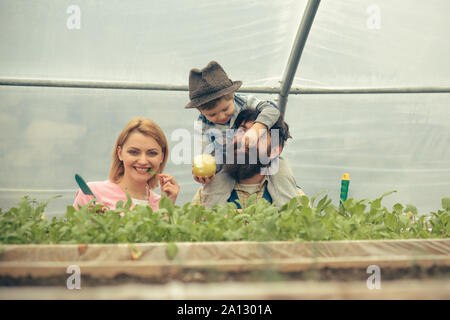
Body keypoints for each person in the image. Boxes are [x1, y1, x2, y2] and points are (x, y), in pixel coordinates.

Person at [185, 61, 299, 197]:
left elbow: (272, 110)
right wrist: (207, 170)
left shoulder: (246, 103)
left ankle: (289, 211)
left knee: (282, 173)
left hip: (267, 158)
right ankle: (212, 215)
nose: (221, 116)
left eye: (225, 109)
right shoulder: (203, 126)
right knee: (214, 187)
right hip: (229, 159)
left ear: (232, 96)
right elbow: (208, 154)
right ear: (201, 112)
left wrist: (258, 128)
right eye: (212, 114)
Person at [191, 108, 304, 209]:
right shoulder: (205, 195)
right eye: (242, 131)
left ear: (275, 150)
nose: (246, 138)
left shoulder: (296, 198)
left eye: (258, 134)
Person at [73, 117, 179, 211]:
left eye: (152, 153)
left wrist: (167, 208)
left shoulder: (161, 203)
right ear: (120, 153)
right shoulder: (92, 193)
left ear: (161, 157)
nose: (143, 161)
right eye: (134, 152)